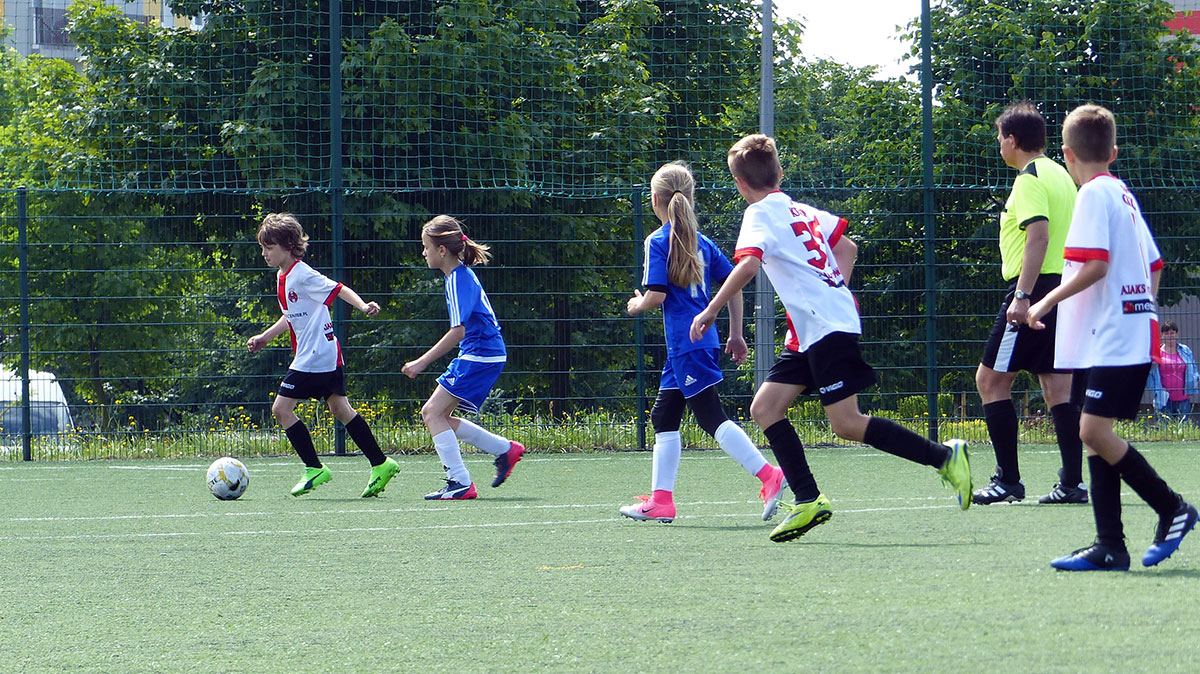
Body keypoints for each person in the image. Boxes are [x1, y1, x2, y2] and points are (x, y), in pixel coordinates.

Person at [690, 134, 973, 543]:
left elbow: (749, 265)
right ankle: (808, 499)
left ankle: (945, 457)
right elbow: (848, 248)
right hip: (814, 329)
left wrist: (712, 309)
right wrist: (832, 291)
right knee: (765, 407)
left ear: (740, 184)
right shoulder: (801, 209)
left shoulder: (758, 214)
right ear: (780, 173)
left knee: (846, 423)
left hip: (825, 327)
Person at [1026, 104, 1196, 571]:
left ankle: (1173, 508)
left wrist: (1043, 302)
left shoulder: (1093, 194)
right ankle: (1110, 546)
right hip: (1118, 333)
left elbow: (1096, 265)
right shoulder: (1122, 194)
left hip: (1115, 336)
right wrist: (1142, 307)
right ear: (1114, 152)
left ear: (1066, 154)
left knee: (1092, 431)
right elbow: (1154, 265)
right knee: (1094, 436)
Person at [619, 161, 788, 524]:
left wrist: (637, 305)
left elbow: (657, 295)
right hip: (694, 344)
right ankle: (661, 501)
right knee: (664, 416)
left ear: (654, 200)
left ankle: (770, 475)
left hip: (687, 343)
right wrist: (736, 333)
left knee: (710, 416)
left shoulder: (658, 240)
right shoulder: (703, 242)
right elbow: (734, 284)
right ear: (690, 197)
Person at [973, 101, 1088, 507]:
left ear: (1012, 139)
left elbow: (1038, 236)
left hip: (1035, 290)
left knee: (990, 381)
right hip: (1064, 290)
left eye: (999, 137)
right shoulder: (1060, 174)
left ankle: (1008, 480)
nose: (998, 144)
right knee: (1058, 388)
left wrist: (1022, 296)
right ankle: (1072, 483)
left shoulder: (1029, 178)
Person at [247, 213, 400, 497]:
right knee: (340, 409)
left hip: (315, 356)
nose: (264, 253)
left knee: (281, 409)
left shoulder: (302, 274)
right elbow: (291, 316)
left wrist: (363, 306)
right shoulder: (283, 276)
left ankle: (314, 467)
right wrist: (265, 337)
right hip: (326, 353)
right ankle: (381, 463)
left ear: (288, 246)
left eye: (269, 247)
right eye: (263, 247)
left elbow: (339, 289)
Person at [401, 215, 525, 500]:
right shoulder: (458, 277)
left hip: (480, 354)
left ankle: (459, 482)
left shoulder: (458, 279)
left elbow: (458, 331)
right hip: (483, 353)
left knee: (432, 413)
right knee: (439, 416)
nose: (423, 253)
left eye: (426, 247)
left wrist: (422, 362)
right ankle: (504, 450)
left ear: (441, 250)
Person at [1146, 320, 1199, 422]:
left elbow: (1194, 368)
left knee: (1183, 429)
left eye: (1172, 333)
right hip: (1163, 400)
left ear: (1177, 334)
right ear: (1162, 335)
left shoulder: (1185, 350)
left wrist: (1195, 381)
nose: (1169, 336)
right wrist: (1156, 391)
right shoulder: (1156, 353)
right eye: (1166, 333)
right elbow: (1150, 375)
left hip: (1183, 399)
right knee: (1163, 429)